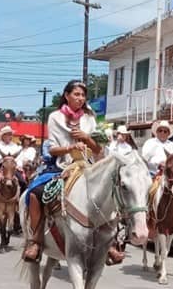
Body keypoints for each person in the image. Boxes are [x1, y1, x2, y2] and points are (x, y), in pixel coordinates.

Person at [21, 80, 125, 265]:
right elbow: (52, 149)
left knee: (113, 194)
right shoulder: (55, 117)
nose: (80, 98)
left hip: (89, 167)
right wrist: (70, 147)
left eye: (83, 95)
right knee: (35, 193)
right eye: (76, 94)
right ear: (67, 96)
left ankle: (110, 241)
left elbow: (98, 150)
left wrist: (85, 138)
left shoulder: (89, 119)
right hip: (62, 166)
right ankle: (35, 241)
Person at [0, 125, 26, 193]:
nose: (10, 136)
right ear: (3, 136)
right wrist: (2, 160)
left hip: (12, 168)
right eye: (8, 134)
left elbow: (19, 158)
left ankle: (21, 200)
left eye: (11, 135)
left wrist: (18, 165)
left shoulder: (14, 145)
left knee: (23, 182)